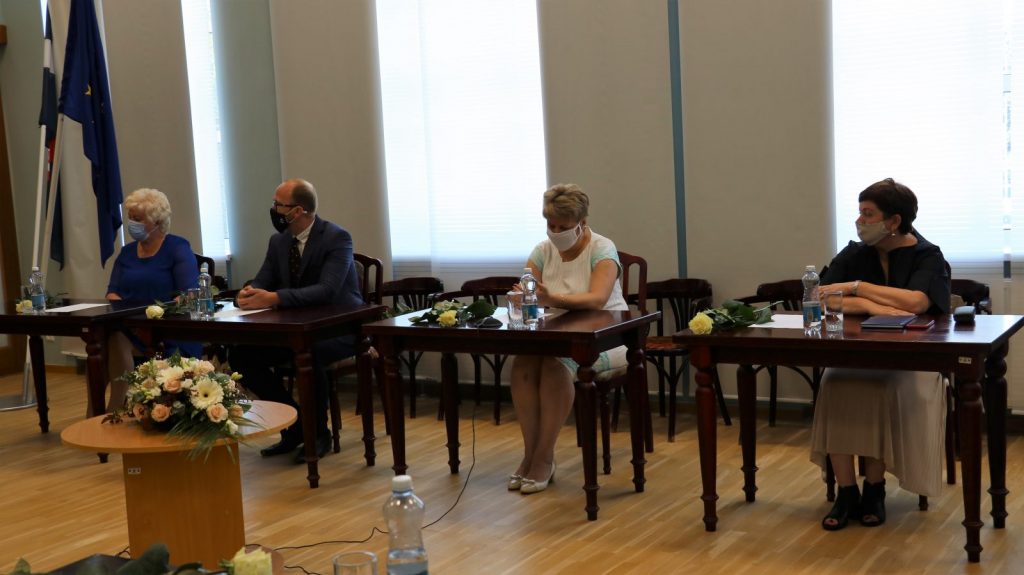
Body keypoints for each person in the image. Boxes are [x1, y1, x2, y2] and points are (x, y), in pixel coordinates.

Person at [811, 177, 951, 530]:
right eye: (859, 212)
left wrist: (856, 288)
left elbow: (916, 303)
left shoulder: (927, 255)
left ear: (894, 221)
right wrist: (869, 304)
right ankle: (846, 491)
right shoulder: (855, 252)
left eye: (868, 214)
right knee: (833, 384)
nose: (860, 221)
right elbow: (819, 297)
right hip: (858, 355)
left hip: (913, 359)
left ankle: (874, 488)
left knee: (883, 389)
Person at [230, 178, 364, 462]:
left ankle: (319, 433)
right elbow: (263, 279)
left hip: (339, 328)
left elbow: (327, 290)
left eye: (279, 204)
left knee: (309, 353)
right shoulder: (278, 241)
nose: (274, 210)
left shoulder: (337, 237)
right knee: (242, 355)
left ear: (298, 210)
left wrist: (274, 298)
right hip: (297, 329)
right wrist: (249, 293)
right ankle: (295, 425)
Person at [508, 183, 628, 494]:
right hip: (556, 335)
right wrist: (522, 299)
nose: (556, 232)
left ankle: (544, 458)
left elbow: (598, 299)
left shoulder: (602, 249)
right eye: (551, 225)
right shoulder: (542, 251)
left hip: (607, 337)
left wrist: (552, 298)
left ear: (582, 223)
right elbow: (531, 292)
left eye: (564, 227)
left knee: (554, 367)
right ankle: (529, 454)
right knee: (522, 365)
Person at [105, 188, 200, 412]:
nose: (132, 224)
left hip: (170, 332)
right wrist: (133, 319)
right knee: (105, 341)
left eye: (138, 219)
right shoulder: (126, 253)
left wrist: (154, 318)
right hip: (130, 329)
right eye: (130, 218)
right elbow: (112, 294)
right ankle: (102, 411)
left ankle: (114, 410)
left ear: (157, 221)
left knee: (113, 341)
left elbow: (189, 295)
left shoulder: (178, 248)